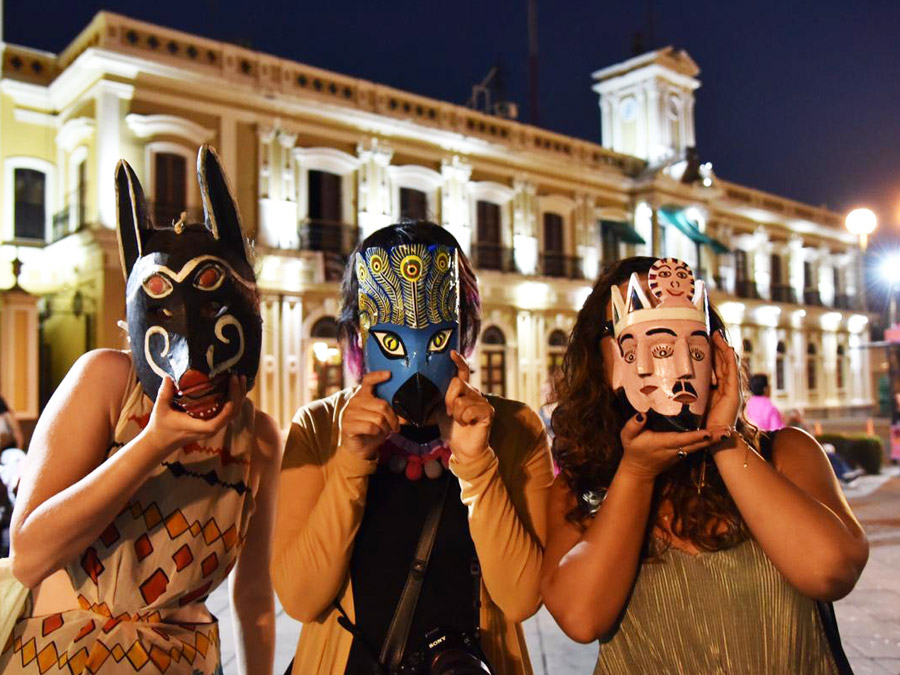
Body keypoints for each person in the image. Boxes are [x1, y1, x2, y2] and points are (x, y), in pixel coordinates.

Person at [1, 146, 279, 674]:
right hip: (65, 660)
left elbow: (256, 601)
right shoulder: (109, 381)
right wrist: (153, 443)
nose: (194, 356)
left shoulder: (258, 437)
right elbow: (31, 554)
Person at [541, 256, 868, 674]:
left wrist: (723, 439)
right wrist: (636, 474)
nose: (675, 369)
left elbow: (831, 571)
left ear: (716, 358)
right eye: (656, 349)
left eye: (694, 349)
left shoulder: (785, 454)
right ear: (606, 364)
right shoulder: (581, 486)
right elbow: (581, 617)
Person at [272, 221, 554, 674]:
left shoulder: (516, 428)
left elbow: (522, 598)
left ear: (462, 329)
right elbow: (301, 599)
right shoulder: (319, 427)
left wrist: (478, 463)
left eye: (438, 339)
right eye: (391, 341)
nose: (415, 363)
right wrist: (349, 460)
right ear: (360, 334)